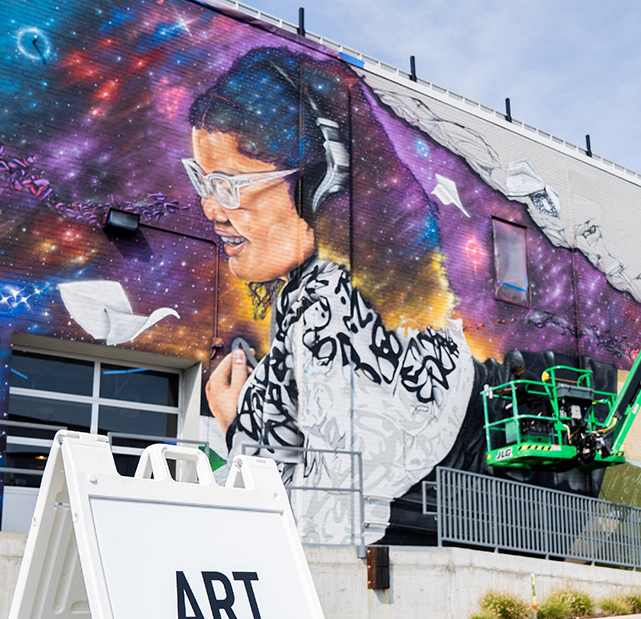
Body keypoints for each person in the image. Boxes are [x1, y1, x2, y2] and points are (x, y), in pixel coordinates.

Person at [186, 47, 475, 544]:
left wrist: (239, 426)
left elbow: (329, 522)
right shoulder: (352, 301)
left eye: (230, 185)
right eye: (203, 182)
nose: (210, 209)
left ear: (322, 182)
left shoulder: (333, 312)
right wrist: (241, 422)